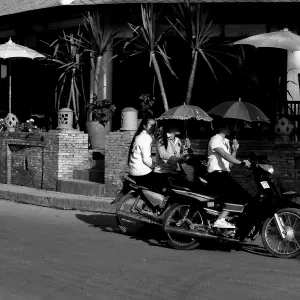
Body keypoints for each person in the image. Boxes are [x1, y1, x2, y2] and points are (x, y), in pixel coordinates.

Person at [206, 119, 251, 229]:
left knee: (245, 195)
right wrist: (242, 162)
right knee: (235, 195)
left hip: (224, 174)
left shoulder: (225, 141)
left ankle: (230, 221)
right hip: (216, 175)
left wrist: (235, 150)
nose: (232, 128)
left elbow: (230, 164)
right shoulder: (215, 139)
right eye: (229, 126)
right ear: (223, 127)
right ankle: (220, 220)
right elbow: (224, 155)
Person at [154, 121, 189, 188]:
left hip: (174, 172)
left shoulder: (177, 140)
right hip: (162, 172)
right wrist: (177, 158)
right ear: (171, 127)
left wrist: (185, 151)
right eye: (177, 126)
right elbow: (163, 154)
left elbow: (179, 155)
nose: (179, 128)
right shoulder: (161, 138)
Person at [128, 117, 158, 189]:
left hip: (134, 169)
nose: (153, 127)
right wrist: (155, 166)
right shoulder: (145, 137)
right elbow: (146, 159)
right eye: (151, 125)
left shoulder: (139, 135)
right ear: (144, 126)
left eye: (154, 125)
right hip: (141, 172)